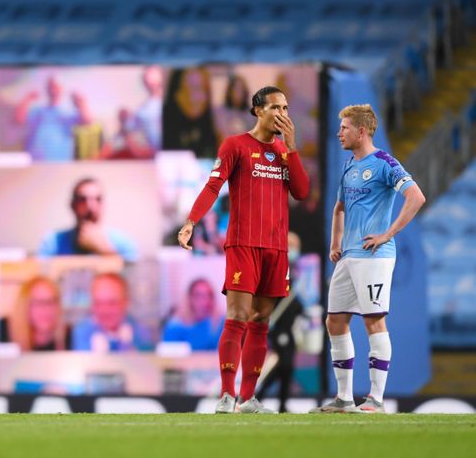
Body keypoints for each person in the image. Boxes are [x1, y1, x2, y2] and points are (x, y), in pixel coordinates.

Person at [177, 86, 310, 414]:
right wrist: (192, 221)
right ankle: (226, 395)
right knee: (237, 315)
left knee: (262, 320)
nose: (283, 113)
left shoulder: (283, 152)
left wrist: (292, 149)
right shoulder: (235, 145)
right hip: (243, 244)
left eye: (286, 107)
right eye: (276, 107)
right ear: (257, 110)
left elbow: (303, 192)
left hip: (276, 248)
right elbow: (212, 186)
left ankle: (248, 398)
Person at [310, 104, 425, 414]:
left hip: (375, 257)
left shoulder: (385, 163)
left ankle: (375, 399)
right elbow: (339, 208)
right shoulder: (349, 165)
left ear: (361, 131)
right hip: (349, 257)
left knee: (373, 320)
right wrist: (336, 242)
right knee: (335, 320)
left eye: (344, 128)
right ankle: (344, 398)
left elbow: (416, 196)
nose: (339, 133)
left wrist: (388, 234)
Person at [256, 232, 305, 413]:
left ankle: (282, 403)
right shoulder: (276, 269)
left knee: (287, 365)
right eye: (290, 245)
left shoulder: (298, 272)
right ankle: (258, 396)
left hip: (289, 326)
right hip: (277, 325)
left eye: (296, 246)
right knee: (283, 363)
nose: (293, 250)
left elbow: (296, 303)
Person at [38, 177, 138, 261]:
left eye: (98, 199)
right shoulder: (52, 243)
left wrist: (105, 250)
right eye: (83, 200)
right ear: (72, 205)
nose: (91, 206)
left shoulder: (123, 243)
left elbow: (132, 279)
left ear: (103, 204)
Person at [15, 75, 93, 161]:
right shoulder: (38, 110)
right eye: (50, 87)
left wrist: (81, 103)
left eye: (55, 86)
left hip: (59, 162)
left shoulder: (68, 113)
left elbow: (87, 121)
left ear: (61, 88)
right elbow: (18, 119)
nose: (53, 90)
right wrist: (28, 98)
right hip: (35, 161)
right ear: (47, 89)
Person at [72, 272, 153, 352]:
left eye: (112, 303)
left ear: (125, 303)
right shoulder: (82, 331)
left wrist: (128, 346)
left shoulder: (141, 331)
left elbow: (148, 361)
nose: (105, 311)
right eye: (98, 303)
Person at [162, 67, 219, 157]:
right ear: (176, 94)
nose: (198, 97)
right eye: (191, 89)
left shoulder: (215, 132)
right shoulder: (162, 129)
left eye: (202, 89)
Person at [7, 276, 71, 351]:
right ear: (24, 306)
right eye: (39, 303)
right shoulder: (3, 331)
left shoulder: (70, 337)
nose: (46, 309)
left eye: (51, 302)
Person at [161, 278, 224, 351]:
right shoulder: (174, 327)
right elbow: (168, 356)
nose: (205, 301)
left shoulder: (219, 324)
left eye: (209, 295)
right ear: (189, 298)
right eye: (199, 295)